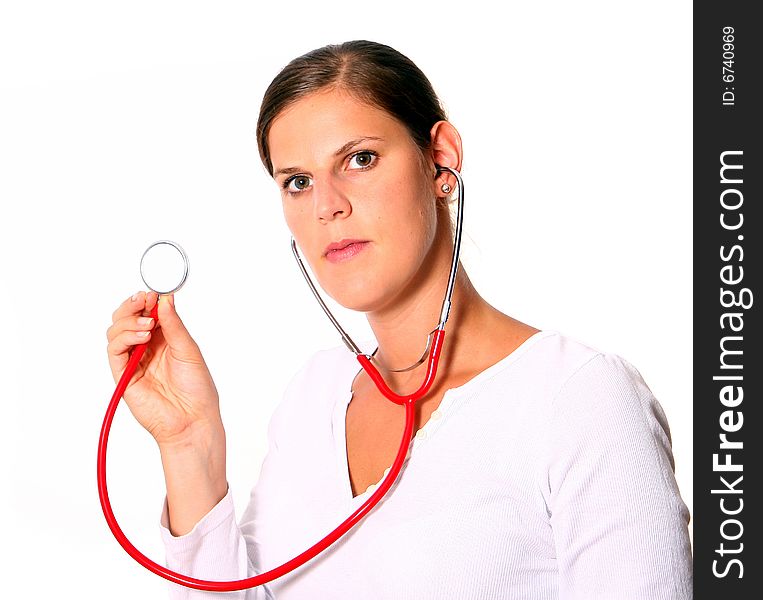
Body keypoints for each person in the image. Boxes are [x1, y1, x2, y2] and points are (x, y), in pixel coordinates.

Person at [105, 40, 693, 599]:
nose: (327, 205)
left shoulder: (580, 399)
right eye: (298, 182)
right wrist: (189, 443)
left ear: (441, 160)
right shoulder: (315, 395)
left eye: (359, 159)